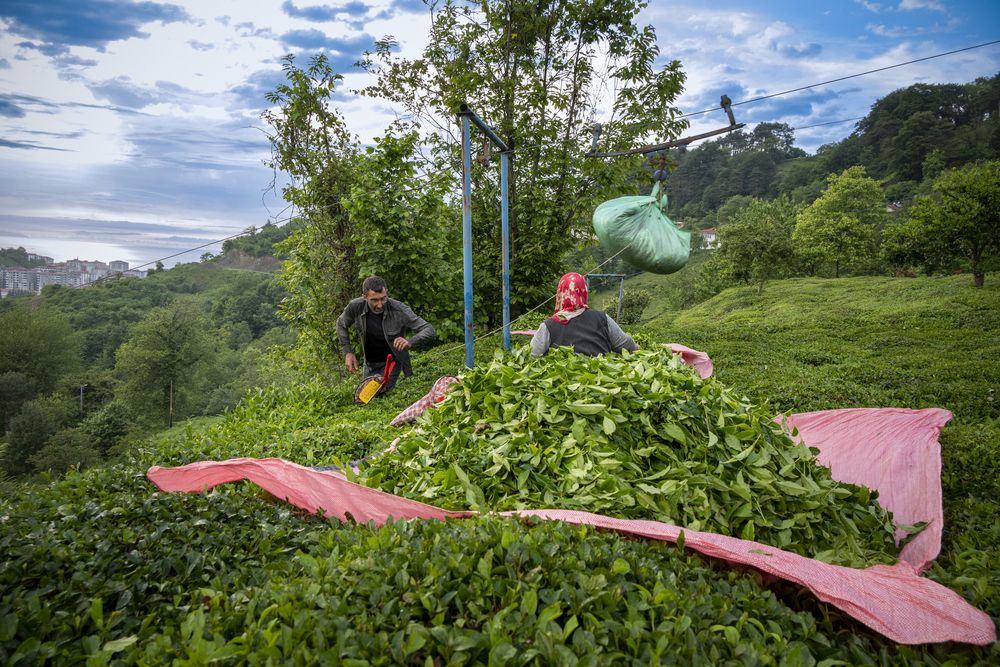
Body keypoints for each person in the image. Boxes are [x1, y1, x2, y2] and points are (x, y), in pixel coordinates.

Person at [336, 276, 435, 396]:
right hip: (369, 363)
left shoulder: (398, 309)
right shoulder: (355, 307)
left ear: (386, 293)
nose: (380, 305)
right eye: (374, 300)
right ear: (364, 297)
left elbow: (428, 329)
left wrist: (410, 342)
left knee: (382, 395)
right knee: (364, 399)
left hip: (393, 362)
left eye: (383, 299)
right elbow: (341, 324)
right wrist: (348, 352)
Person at [530, 272, 638, 357]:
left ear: (560, 294)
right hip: (602, 380)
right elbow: (627, 346)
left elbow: (533, 355)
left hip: (564, 382)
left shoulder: (549, 325)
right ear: (584, 292)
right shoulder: (602, 318)